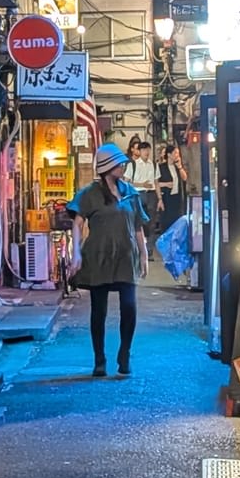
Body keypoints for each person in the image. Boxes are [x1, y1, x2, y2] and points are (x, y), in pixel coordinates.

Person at [67, 142, 147, 379]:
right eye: (118, 163)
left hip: (126, 256)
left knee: (129, 308)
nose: (122, 166)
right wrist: (76, 253)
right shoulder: (89, 194)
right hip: (99, 257)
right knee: (98, 310)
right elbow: (77, 223)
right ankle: (99, 359)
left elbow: (138, 226)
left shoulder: (130, 193)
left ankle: (125, 353)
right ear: (107, 166)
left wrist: (143, 255)